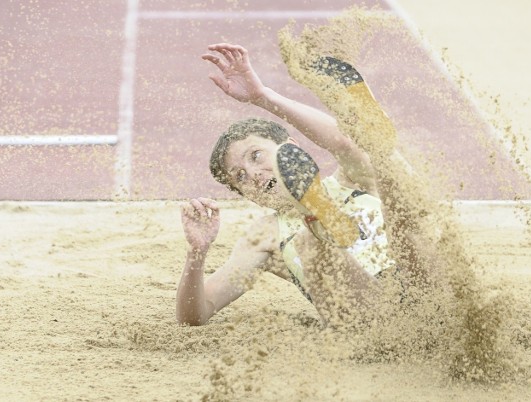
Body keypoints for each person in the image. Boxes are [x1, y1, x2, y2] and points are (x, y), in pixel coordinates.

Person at [176, 43, 423, 327]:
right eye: (240, 177)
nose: (254, 174)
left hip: (428, 291)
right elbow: (195, 314)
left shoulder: (351, 180)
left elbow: (343, 143)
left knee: (393, 186)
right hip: (374, 322)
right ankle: (319, 223)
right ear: (247, 196)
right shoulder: (265, 235)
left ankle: (376, 141)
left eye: (256, 156)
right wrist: (197, 253)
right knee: (309, 243)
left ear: (291, 148)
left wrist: (262, 96)